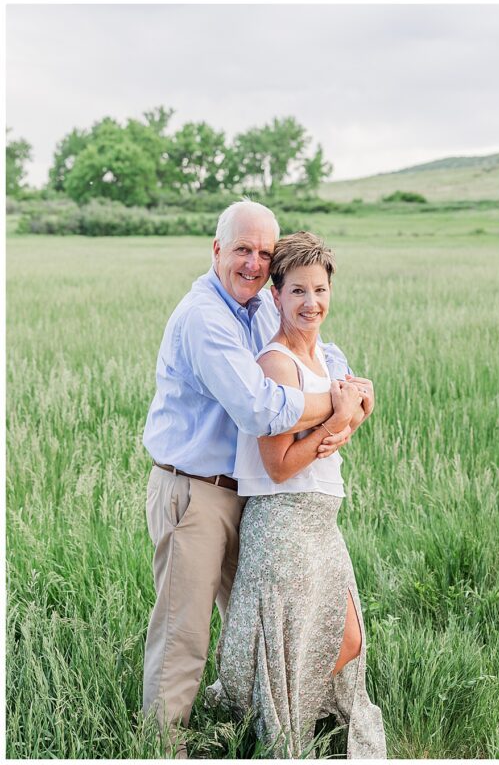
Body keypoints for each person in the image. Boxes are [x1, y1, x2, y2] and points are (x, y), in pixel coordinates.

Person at [141, 200, 349, 757]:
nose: (254, 263)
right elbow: (259, 410)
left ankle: (254, 733)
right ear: (216, 250)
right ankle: (165, 746)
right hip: (195, 490)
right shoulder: (204, 317)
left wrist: (352, 388)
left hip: (251, 498)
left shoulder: (255, 306)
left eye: (263, 253)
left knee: (253, 630)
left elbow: (318, 350)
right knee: (185, 631)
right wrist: (337, 405)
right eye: (242, 249)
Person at [213, 231, 386, 758]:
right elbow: (279, 464)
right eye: (298, 292)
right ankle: (263, 717)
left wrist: (355, 413)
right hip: (283, 518)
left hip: (322, 521)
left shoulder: (330, 357)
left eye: (320, 290)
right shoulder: (276, 364)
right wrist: (338, 416)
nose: (312, 303)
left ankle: (289, 709)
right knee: (296, 643)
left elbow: (350, 416)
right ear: (276, 296)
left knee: (346, 637)